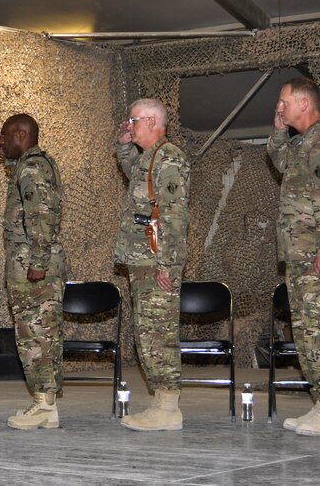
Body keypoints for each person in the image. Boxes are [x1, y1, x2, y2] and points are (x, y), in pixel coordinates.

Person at [267, 77, 320, 436]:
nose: (280, 107)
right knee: (306, 333)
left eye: (284, 101)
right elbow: (282, 161)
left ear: (304, 104)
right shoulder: (303, 143)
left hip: (318, 256)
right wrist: (277, 132)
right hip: (300, 255)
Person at [113, 99, 189, 432]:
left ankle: (169, 407)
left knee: (159, 334)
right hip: (142, 260)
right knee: (147, 334)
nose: (129, 125)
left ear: (151, 121)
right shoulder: (151, 158)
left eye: (133, 120)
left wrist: (168, 266)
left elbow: (174, 216)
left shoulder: (169, 156)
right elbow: (138, 180)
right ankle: (161, 402)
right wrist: (123, 146)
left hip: (157, 261)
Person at [0, 113, 67, 430]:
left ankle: (44, 406)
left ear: (21, 134)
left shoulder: (33, 166)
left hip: (32, 266)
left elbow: (40, 215)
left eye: (4, 135)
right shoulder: (31, 165)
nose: (0, 141)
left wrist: (38, 262)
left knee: (35, 335)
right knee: (38, 333)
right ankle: (44, 403)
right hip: (30, 262)